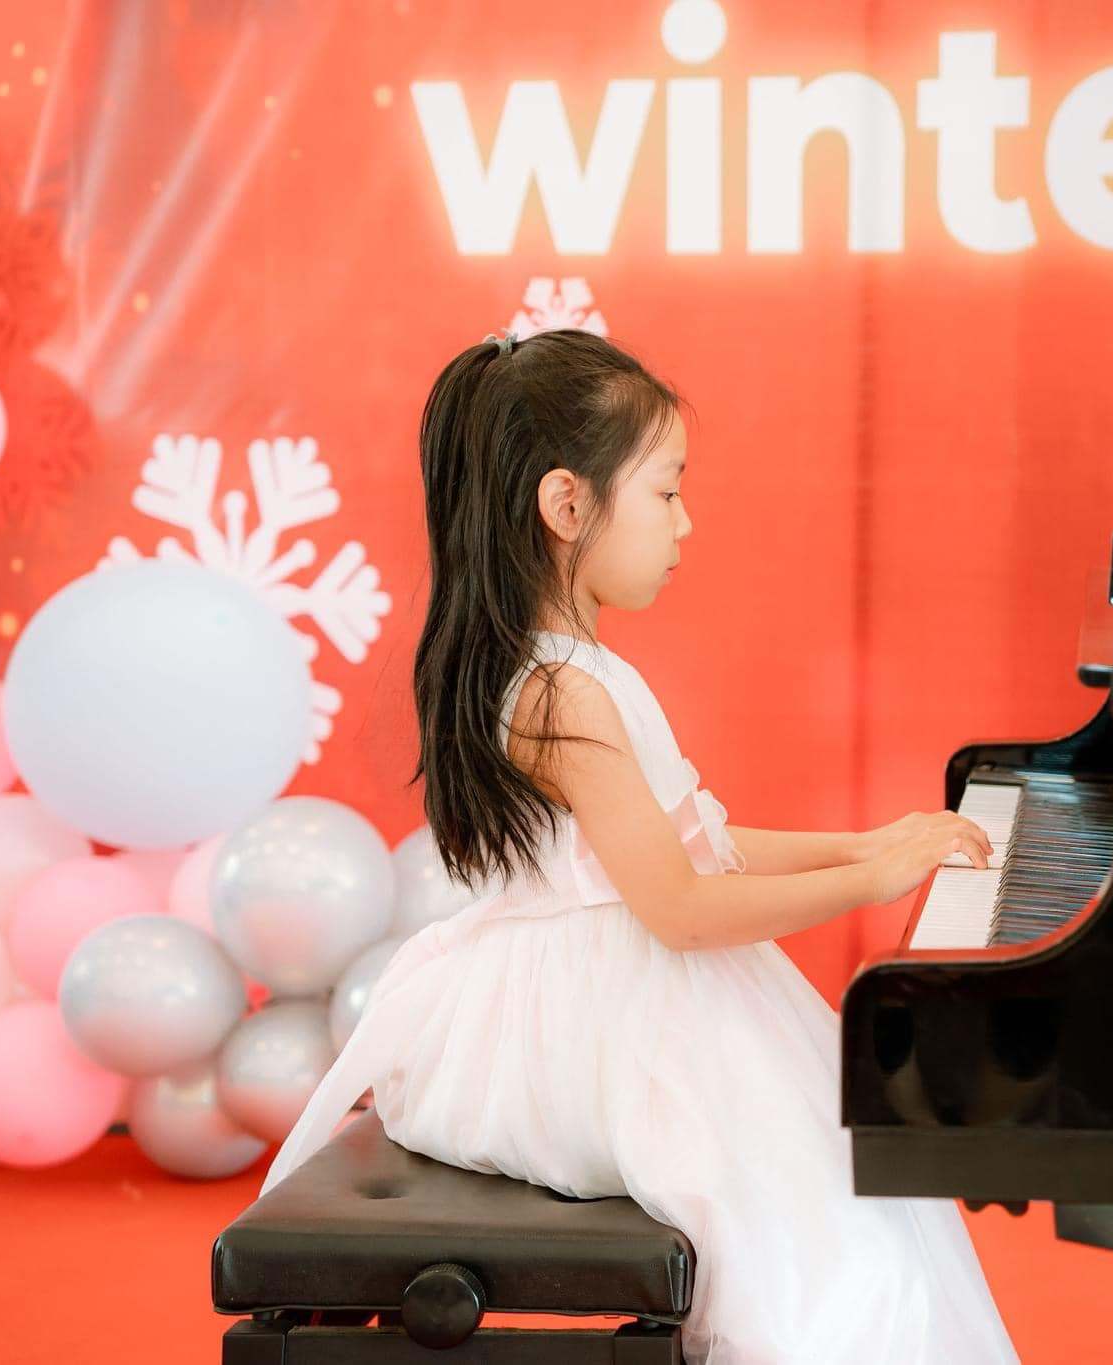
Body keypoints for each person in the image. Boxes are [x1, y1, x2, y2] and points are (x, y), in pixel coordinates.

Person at [260, 328, 1019, 1364]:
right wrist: (869, 881)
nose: (684, 521)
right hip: (577, 1034)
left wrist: (863, 843)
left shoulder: (573, 671)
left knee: (857, 1189)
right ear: (566, 506)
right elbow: (680, 908)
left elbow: (698, 847)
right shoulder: (557, 693)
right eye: (666, 492)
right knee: (837, 1227)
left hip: (616, 989)